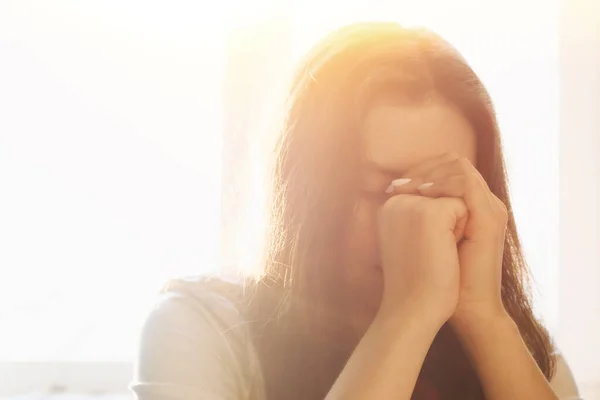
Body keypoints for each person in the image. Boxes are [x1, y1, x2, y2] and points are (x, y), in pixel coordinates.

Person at [130, 22, 582, 400]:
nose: (414, 221)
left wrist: (483, 315)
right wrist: (407, 314)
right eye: (376, 189)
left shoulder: (514, 344)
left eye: (443, 194)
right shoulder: (201, 327)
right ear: (305, 190)